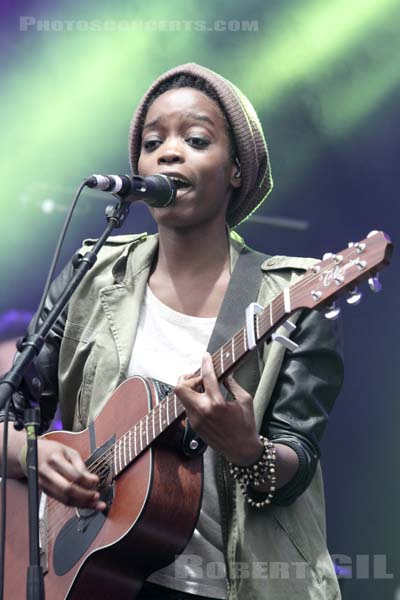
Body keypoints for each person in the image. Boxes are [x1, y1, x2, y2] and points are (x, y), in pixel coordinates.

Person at [0, 63, 344, 599]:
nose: (168, 151)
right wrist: (30, 454)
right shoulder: (93, 273)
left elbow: (296, 464)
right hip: (91, 574)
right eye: (153, 141)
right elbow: (10, 413)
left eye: (196, 138)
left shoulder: (290, 299)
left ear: (236, 170)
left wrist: (247, 449)